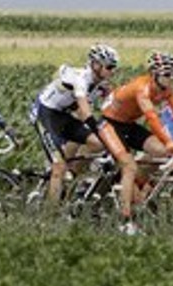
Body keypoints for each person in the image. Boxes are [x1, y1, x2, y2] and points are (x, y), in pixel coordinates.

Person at [99, 50, 173, 234]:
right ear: (154, 74)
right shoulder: (142, 89)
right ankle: (124, 220)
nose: (171, 77)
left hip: (128, 124)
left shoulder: (166, 90)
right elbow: (152, 118)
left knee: (164, 153)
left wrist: (168, 146)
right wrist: (169, 141)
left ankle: (143, 186)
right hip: (109, 124)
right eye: (168, 74)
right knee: (130, 166)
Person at [29, 43, 118, 206]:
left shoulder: (101, 83)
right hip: (45, 113)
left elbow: (115, 103)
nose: (112, 71)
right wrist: (99, 129)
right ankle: (51, 216)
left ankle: (72, 174)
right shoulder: (81, 79)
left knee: (97, 144)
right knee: (58, 166)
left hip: (63, 115)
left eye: (114, 68)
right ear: (96, 65)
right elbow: (84, 111)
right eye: (109, 67)